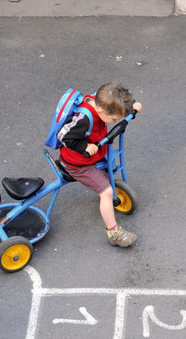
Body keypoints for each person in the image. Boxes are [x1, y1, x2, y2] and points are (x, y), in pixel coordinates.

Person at [59, 82, 142, 248]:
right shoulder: (84, 119)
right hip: (78, 164)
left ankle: (106, 184)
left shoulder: (101, 100)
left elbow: (117, 98)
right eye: (114, 119)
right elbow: (64, 136)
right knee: (107, 192)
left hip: (94, 154)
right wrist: (83, 146)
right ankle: (114, 232)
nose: (116, 121)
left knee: (108, 170)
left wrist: (130, 107)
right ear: (100, 110)